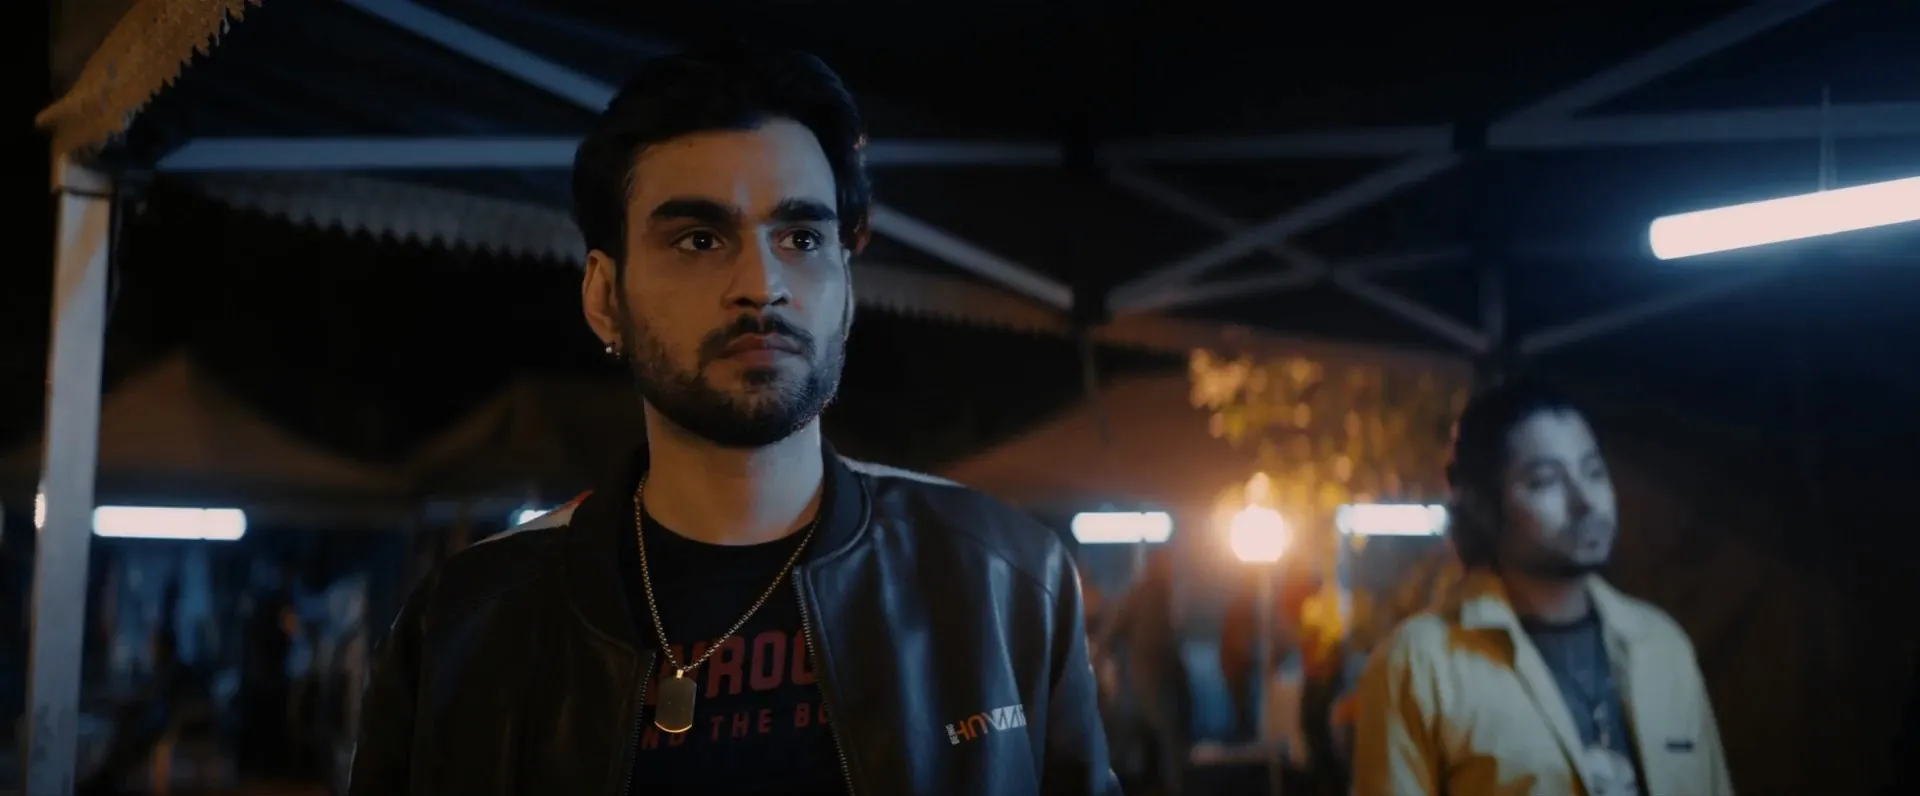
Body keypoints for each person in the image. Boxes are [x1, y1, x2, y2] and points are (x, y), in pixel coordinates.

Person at [348, 46, 1118, 796]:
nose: (761, 284)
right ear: (604, 297)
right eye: (699, 239)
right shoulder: (465, 625)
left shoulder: (1004, 582)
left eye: (802, 238)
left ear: (847, 290)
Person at [1351, 377, 1732, 796]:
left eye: (1593, 471)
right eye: (1545, 480)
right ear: (1484, 506)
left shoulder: (1661, 645)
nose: (1585, 501)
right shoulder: (1422, 664)